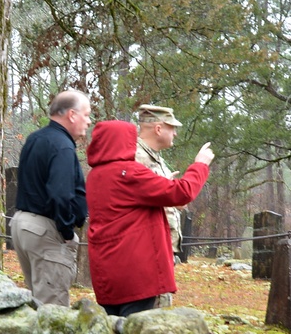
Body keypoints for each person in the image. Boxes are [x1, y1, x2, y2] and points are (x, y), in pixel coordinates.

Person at [86, 120, 213, 317]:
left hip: (107, 271)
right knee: (136, 333)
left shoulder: (96, 175)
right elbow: (182, 193)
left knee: (113, 332)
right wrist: (200, 165)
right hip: (135, 273)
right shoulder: (129, 173)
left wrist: (160, 186)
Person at [10, 89, 92, 306]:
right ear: (72, 115)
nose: (89, 121)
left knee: (39, 303)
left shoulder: (36, 138)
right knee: (52, 309)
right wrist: (66, 231)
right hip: (46, 230)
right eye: (86, 114)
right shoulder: (62, 145)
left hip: (23, 225)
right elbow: (60, 193)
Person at [135, 104, 184, 272]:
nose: (175, 134)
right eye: (172, 128)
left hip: (162, 249)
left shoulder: (157, 159)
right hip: (148, 250)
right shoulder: (136, 158)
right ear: (158, 128)